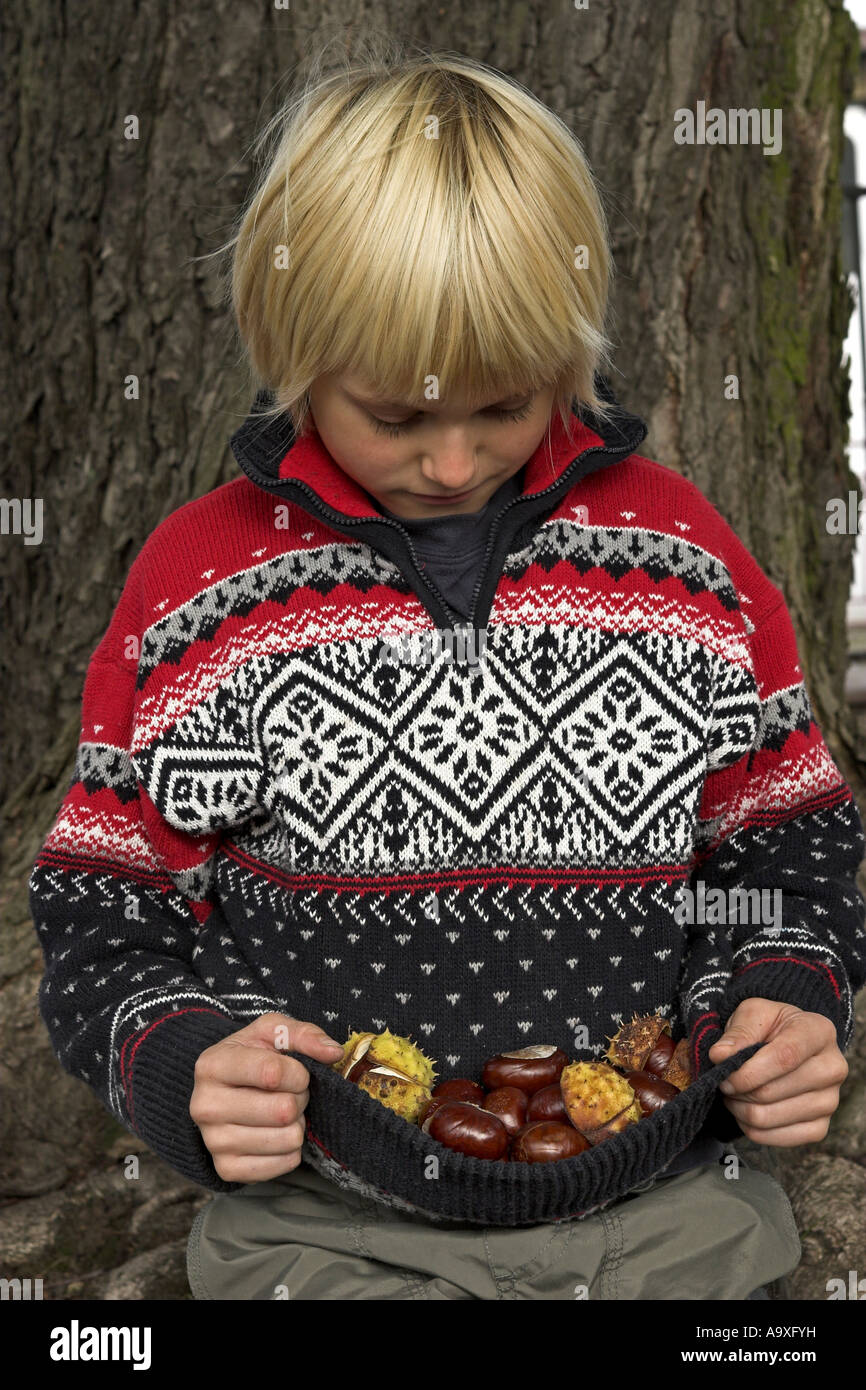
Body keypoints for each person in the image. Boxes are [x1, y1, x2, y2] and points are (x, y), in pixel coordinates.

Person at [29, 44, 865, 1301]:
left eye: (504, 405)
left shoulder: (681, 560)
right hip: (318, 1223)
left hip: (666, 1206)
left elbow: (789, 854)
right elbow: (104, 912)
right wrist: (175, 1060)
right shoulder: (198, 589)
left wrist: (787, 998)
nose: (455, 462)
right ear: (296, 351)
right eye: (398, 417)